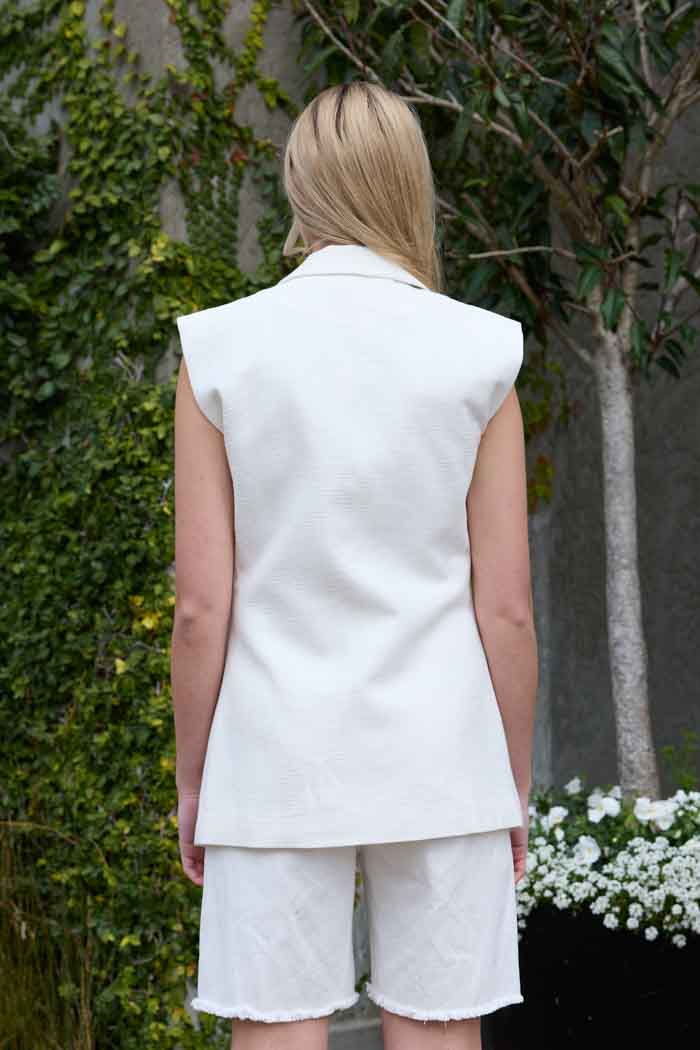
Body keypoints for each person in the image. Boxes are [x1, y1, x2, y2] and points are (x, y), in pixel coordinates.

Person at [171, 80, 538, 1050]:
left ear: (300, 185)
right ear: (409, 184)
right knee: (437, 1033)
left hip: (272, 753)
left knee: (276, 1033)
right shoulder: (480, 353)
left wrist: (195, 783)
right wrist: (509, 783)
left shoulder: (220, 351)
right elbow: (505, 609)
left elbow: (201, 608)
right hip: (444, 754)